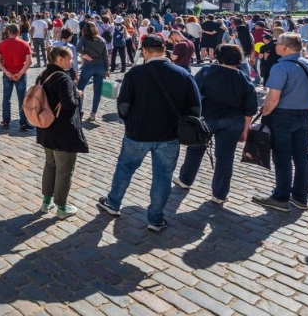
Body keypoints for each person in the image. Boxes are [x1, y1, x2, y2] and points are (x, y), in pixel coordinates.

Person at [97, 35, 201, 232]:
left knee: (125, 168)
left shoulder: (135, 74)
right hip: (169, 135)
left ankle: (113, 203)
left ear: (144, 51)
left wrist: (128, 120)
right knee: (163, 176)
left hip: (138, 132)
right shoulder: (183, 74)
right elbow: (196, 109)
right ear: (164, 50)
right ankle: (155, 218)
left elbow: (123, 106)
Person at [174, 44, 257, 205]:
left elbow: (192, 94)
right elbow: (249, 109)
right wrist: (246, 130)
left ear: (219, 57)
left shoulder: (207, 71)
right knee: (225, 158)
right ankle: (220, 194)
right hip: (233, 121)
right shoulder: (243, 78)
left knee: (195, 150)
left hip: (206, 118)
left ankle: (185, 179)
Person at [252, 33, 308, 212]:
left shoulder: (280, 67)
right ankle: (301, 196)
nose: (275, 46)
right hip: (304, 115)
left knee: (282, 157)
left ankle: (281, 196)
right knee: (302, 157)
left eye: (277, 43)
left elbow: (273, 97)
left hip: (283, 116)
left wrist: (264, 112)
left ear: (284, 47)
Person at [36, 45, 88, 218]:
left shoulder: (43, 74)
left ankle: (46, 202)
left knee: (50, 164)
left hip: (46, 128)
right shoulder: (63, 78)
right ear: (59, 59)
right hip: (62, 131)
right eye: (70, 58)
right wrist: (78, 94)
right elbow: (68, 104)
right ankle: (62, 207)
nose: (72, 61)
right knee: (65, 170)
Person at [0, 23, 34, 131]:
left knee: (6, 98)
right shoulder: (25, 44)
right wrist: (20, 73)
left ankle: (6, 121)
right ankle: (23, 123)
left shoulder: (2, 44)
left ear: (8, 32)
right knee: (22, 99)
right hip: (20, 75)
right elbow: (29, 61)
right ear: (18, 32)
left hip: (7, 74)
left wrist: (6, 72)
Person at [76, 22, 109, 121]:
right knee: (97, 91)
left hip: (88, 66)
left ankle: (78, 111)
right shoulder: (101, 40)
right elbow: (106, 56)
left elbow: (78, 48)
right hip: (100, 66)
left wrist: (85, 55)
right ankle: (93, 113)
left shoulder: (84, 38)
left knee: (80, 89)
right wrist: (107, 69)